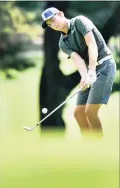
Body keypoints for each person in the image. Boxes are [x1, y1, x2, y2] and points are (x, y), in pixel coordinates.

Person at [41, 7, 116, 138]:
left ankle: (98, 147)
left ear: (61, 14)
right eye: (49, 24)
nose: (53, 25)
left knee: (91, 111)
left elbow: (92, 45)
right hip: (90, 70)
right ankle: (89, 147)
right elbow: (79, 60)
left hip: (105, 65)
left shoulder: (80, 21)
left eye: (53, 20)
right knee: (78, 113)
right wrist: (84, 77)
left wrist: (91, 71)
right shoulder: (63, 43)